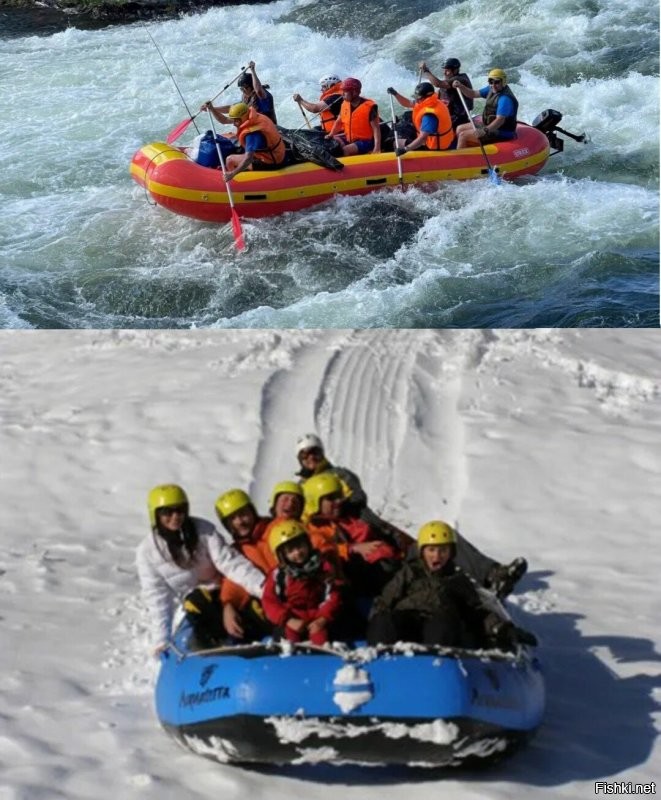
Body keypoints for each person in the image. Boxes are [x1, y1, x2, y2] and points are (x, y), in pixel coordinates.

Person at [295, 433, 527, 597]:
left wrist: (336, 494)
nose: (311, 458)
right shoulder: (303, 492)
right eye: (305, 455)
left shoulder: (340, 474)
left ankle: (492, 574)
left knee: (437, 540)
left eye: (314, 452)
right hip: (356, 550)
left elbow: (357, 497)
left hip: (373, 531)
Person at [136, 484, 265, 654]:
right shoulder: (148, 551)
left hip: (225, 589)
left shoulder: (203, 530)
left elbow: (230, 563)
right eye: (167, 512)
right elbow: (157, 596)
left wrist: (263, 588)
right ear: (155, 514)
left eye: (180, 510)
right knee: (197, 606)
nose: (175, 517)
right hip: (197, 602)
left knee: (255, 615)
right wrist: (161, 640)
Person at [367, 521, 537, 649]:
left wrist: (503, 629)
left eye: (443, 551)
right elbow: (385, 600)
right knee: (385, 621)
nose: (437, 556)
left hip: (438, 625)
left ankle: (436, 666)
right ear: (422, 552)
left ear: (451, 553)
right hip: (408, 620)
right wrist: (378, 620)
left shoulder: (457, 579)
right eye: (431, 550)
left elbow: (477, 611)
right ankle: (380, 664)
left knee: (443, 624)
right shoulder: (409, 573)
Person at [303, 472, 402, 596]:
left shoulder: (352, 514)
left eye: (339, 496)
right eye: (331, 498)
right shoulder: (313, 528)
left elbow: (386, 531)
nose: (338, 501)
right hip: (362, 583)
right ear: (315, 503)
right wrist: (352, 549)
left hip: (392, 566)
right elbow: (322, 551)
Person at [261, 519, 345, 645]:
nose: (298, 553)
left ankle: (324, 659)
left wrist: (323, 618)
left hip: (317, 617)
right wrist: (287, 620)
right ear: (282, 555)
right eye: (290, 551)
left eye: (300, 546)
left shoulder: (323, 567)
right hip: (292, 618)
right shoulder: (278, 575)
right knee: (288, 638)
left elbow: (333, 595)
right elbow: (269, 601)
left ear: (308, 544)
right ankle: (291, 659)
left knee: (320, 637)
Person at [453, 68, 519, 149]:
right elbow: (473, 94)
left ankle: (461, 159)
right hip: (489, 126)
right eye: (491, 82)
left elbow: (500, 120)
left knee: (463, 135)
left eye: (497, 82)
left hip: (501, 131)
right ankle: (468, 149)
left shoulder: (505, 99)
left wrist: (484, 131)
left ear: (503, 82)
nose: (493, 85)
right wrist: (461, 86)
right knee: (459, 129)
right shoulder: (491, 89)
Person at [220, 102, 289, 180]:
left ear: (242, 118)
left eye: (236, 121)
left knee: (230, 159)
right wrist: (212, 109)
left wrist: (232, 174)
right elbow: (224, 120)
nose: (234, 124)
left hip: (270, 161)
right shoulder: (255, 117)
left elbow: (248, 159)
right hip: (277, 152)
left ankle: (235, 181)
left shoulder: (252, 134)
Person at [386, 82, 455, 155]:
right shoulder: (434, 101)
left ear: (426, 97)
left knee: (396, 143)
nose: (417, 100)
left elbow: (422, 139)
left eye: (419, 98)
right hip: (428, 139)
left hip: (433, 147)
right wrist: (395, 94)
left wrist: (405, 149)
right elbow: (408, 103)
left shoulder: (429, 116)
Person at [203, 61, 277, 125]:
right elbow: (227, 115)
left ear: (252, 86)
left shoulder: (263, 96)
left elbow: (258, 91)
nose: (243, 91)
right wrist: (212, 109)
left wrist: (253, 71)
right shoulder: (245, 99)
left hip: (269, 130)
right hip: (254, 129)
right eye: (241, 89)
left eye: (246, 88)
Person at [326, 77, 381, 156]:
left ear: (354, 92)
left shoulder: (369, 107)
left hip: (366, 142)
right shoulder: (345, 104)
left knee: (345, 150)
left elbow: (376, 129)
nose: (342, 94)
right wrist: (330, 135)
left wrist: (377, 148)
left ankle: (343, 167)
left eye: (345, 91)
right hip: (350, 140)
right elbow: (338, 122)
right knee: (333, 141)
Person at [419, 57, 473, 128]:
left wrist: (426, 70)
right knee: (420, 113)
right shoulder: (448, 80)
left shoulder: (460, 80)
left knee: (430, 122)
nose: (444, 73)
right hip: (445, 112)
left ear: (455, 70)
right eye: (444, 70)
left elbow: (438, 84)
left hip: (458, 116)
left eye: (447, 71)